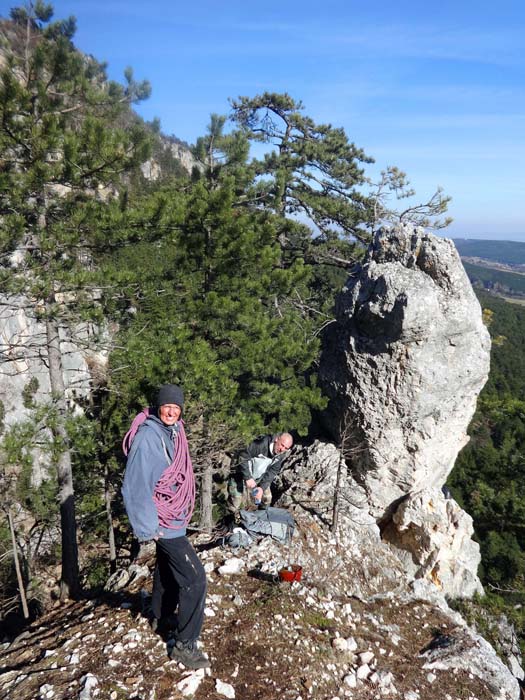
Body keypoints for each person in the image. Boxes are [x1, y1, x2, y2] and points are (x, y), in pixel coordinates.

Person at [122, 384, 209, 670]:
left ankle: (161, 615)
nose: (172, 411)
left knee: (167, 567)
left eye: (176, 408)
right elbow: (135, 487)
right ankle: (185, 645)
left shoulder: (173, 430)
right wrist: (149, 529)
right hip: (163, 522)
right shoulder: (149, 437)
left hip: (172, 518)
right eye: (167, 407)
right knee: (195, 579)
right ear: (158, 408)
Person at [228, 432, 294, 513]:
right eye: (282, 445)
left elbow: (272, 471)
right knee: (236, 501)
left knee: (267, 498)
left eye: (286, 448)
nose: (282, 449)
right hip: (240, 470)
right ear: (277, 439)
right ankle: (232, 521)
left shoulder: (280, 455)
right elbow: (243, 456)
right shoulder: (260, 444)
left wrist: (261, 488)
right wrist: (248, 478)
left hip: (258, 474)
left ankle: (260, 518)